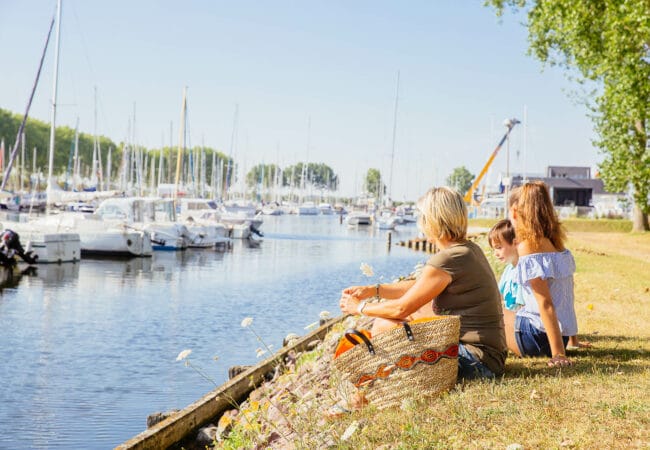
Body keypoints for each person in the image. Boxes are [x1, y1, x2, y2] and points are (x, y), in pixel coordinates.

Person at [339, 186, 507, 381]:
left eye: (423, 218)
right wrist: (373, 290)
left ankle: (372, 389)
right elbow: (419, 285)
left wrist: (359, 307)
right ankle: (374, 385)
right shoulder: (466, 249)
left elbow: (400, 309)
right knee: (401, 320)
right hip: (489, 358)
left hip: (477, 362)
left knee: (385, 325)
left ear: (432, 221)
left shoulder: (450, 258)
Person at [503, 181, 580, 368]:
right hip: (559, 336)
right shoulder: (558, 246)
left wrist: (558, 354)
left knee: (489, 314)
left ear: (515, 211)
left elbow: (545, 303)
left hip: (535, 338)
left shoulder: (529, 247)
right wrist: (570, 341)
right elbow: (565, 298)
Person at [488, 219, 524, 312]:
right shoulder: (509, 269)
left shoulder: (524, 271)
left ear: (515, 243)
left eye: (499, 248)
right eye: (494, 249)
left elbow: (522, 306)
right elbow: (498, 296)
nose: (495, 254)